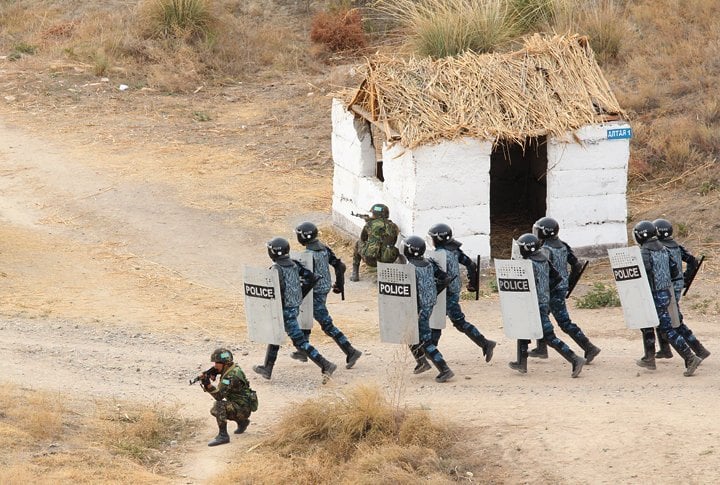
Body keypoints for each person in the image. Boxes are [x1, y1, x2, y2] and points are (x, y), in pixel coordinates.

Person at [252, 237, 337, 382]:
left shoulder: (276, 269)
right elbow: (312, 277)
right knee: (276, 335)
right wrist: (300, 295)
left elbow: (275, 291)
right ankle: (267, 368)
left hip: (285, 311)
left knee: (300, 342)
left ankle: (326, 364)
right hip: (293, 308)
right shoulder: (293, 265)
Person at [508, 233, 585, 377]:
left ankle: (575, 359)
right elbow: (557, 278)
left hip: (535, 303)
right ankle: (521, 362)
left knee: (549, 336)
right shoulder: (543, 259)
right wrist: (546, 291)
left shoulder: (528, 264)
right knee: (523, 329)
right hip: (542, 300)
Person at [632, 221, 702, 376]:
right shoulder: (664, 248)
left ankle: (690, 357)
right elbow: (675, 270)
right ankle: (650, 358)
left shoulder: (645, 251)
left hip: (654, 294)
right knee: (655, 326)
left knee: (665, 330)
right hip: (666, 292)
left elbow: (644, 272)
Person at [527, 217, 601, 363]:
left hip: (550, 290)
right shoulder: (563, 246)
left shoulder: (545, 250)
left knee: (563, 322)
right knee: (542, 317)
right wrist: (569, 283)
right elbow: (576, 265)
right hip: (560, 288)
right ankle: (541, 348)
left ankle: (589, 347)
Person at [292, 222, 363, 369]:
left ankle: (350, 350)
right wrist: (339, 284)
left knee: (326, 324)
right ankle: (303, 350)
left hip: (315, 291)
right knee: (305, 316)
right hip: (323, 289)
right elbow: (340, 265)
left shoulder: (307, 256)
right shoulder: (324, 249)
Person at [425, 223, 496, 362]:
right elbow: (471, 264)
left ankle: (431, 352)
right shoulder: (454, 251)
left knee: (438, 322)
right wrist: (473, 283)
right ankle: (485, 343)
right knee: (450, 321)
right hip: (452, 291)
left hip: (446, 292)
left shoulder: (439, 254)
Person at [652, 218, 709, 361]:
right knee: (663, 316)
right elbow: (692, 260)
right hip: (675, 284)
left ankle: (698, 349)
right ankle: (665, 349)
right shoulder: (676, 246)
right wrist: (685, 278)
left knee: (673, 319)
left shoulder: (660, 249)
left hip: (667, 286)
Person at [403, 235, 455, 383]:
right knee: (411, 334)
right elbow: (444, 279)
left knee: (425, 341)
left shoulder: (410, 268)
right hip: (427, 306)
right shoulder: (427, 263)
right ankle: (421, 362)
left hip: (420, 309)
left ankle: (444, 369)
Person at [199, 348, 258, 447]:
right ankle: (242, 422)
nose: (215, 365)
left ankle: (223, 435)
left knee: (218, 406)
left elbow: (219, 396)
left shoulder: (230, 376)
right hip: (243, 405)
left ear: (225, 363)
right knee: (219, 408)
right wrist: (216, 372)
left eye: (217, 363)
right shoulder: (233, 368)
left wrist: (207, 384)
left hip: (243, 408)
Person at [350, 203, 400, 282]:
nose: (371, 215)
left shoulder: (369, 224)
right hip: (388, 259)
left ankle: (355, 273)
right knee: (393, 249)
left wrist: (368, 225)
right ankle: (385, 272)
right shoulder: (393, 226)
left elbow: (363, 238)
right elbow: (393, 241)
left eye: (373, 214)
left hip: (371, 260)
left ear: (376, 215)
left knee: (357, 243)